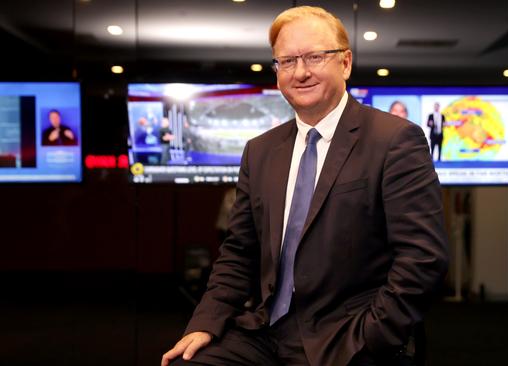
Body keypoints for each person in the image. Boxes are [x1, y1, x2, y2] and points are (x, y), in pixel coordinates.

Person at [162, 6, 448, 366]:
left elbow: (423, 260)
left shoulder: (394, 141)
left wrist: (371, 337)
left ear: (344, 63)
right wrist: (204, 324)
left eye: (314, 57)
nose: (301, 72)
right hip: (267, 330)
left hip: (349, 336)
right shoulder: (260, 151)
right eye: (287, 61)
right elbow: (239, 253)